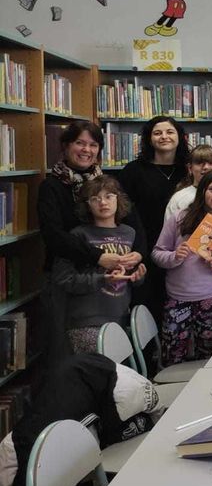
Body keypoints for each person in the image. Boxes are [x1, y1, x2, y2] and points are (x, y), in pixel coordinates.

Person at [39, 122, 147, 361]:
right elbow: (54, 235)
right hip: (70, 283)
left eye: (93, 144)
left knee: (114, 355)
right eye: (80, 143)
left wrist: (138, 255)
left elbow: (135, 227)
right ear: (66, 146)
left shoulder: (108, 183)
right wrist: (99, 257)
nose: (86, 150)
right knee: (66, 355)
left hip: (111, 300)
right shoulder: (51, 186)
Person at [152, 170, 212, 364]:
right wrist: (174, 257)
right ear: (202, 190)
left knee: (210, 357)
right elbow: (157, 253)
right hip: (178, 298)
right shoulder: (179, 218)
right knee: (173, 356)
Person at [51, 177, 146, 354]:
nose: (103, 202)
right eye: (95, 198)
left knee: (118, 369)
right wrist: (103, 279)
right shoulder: (77, 236)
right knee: (97, 369)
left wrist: (137, 276)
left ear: (118, 199)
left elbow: (130, 279)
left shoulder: (129, 233)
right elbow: (64, 279)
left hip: (120, 317)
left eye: (109, 196)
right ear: (87, 205)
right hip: (87, 320)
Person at [118, 116, 189, 323]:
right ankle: (149, 344)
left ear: (180, 137)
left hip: (182, 249)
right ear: (149, 139)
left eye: (170, 132)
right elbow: (123, 211)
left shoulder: (189, 169)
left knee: (180, 307)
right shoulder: (133, 170)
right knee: (147, 305)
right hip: (145, 247)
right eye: (157, 133)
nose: (164, 136)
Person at [163, 144, 212, 221]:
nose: (206, 167)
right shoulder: (179, 198)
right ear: (190, 168)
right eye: (199, 163)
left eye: (211, 163)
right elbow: (169, 227)